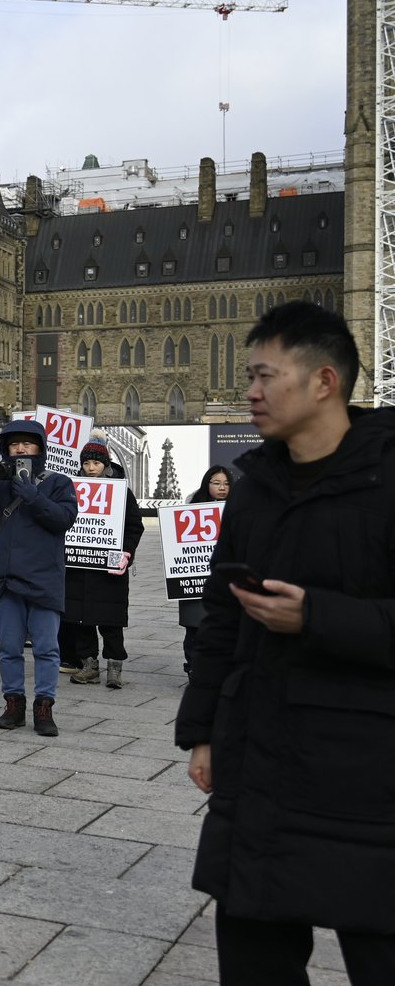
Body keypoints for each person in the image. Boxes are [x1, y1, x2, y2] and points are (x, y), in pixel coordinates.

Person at [176, 302, 395, 985]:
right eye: (250, 376)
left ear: (325, 381)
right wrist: (203, 730)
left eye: (266, 376)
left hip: (369, 777)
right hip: (262, 763)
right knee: (253, 962)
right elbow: (219, 619)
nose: (251, 392)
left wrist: (319, 618)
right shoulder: (254, 488)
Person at [0, 419, 78, 737]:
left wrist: (32, 495)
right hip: (6, 578)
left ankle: (44, 707)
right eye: (14, 444)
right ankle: (13, 704)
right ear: (5, 449)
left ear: (40, 448)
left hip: (44, 577)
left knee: (46, 647)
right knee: (10, 646)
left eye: (27, 444)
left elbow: (63, 519)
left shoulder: (59, 482)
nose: (20, 449)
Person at [63, 436, 144, 689]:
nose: (90, 468)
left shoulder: (122, 491)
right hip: (78, 565)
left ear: (105, 465)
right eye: (86, 463)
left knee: (110, 619)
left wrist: (126, 553)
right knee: (80, 619)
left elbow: (134, 526)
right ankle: (89, 664)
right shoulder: (71, 490)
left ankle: (114, 666)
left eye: (96, 463)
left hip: (109, 566)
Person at [177, 465, 232, 674]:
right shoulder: (192, 507)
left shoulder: (238, 508)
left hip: (224, 579)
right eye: (216, 483)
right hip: (196, 579)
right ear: (207, 483)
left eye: (226, 484)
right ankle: (194, 667)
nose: (222, 488)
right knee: (195, 628)